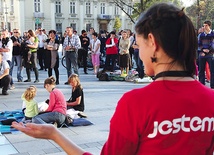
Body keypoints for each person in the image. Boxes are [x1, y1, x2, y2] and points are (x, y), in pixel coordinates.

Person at [12, 3, 214, 155]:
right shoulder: (210, 99)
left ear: (152, 42)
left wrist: (54, 135)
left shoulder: (136, 103)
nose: (139, 52)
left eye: (139, 44)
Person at [198, 20, 214, 88]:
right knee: (201, 70)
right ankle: (201, 85)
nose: (204, 27)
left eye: (206, 25)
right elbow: (198, 44)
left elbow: (213, 44)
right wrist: (202, 51)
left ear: (209, 26)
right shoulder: (201, 35)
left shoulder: (213, 34)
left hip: (210, 54)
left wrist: (208, 50)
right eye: (204, 25)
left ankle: (212, 85)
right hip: (202, 55)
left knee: (212, 70)